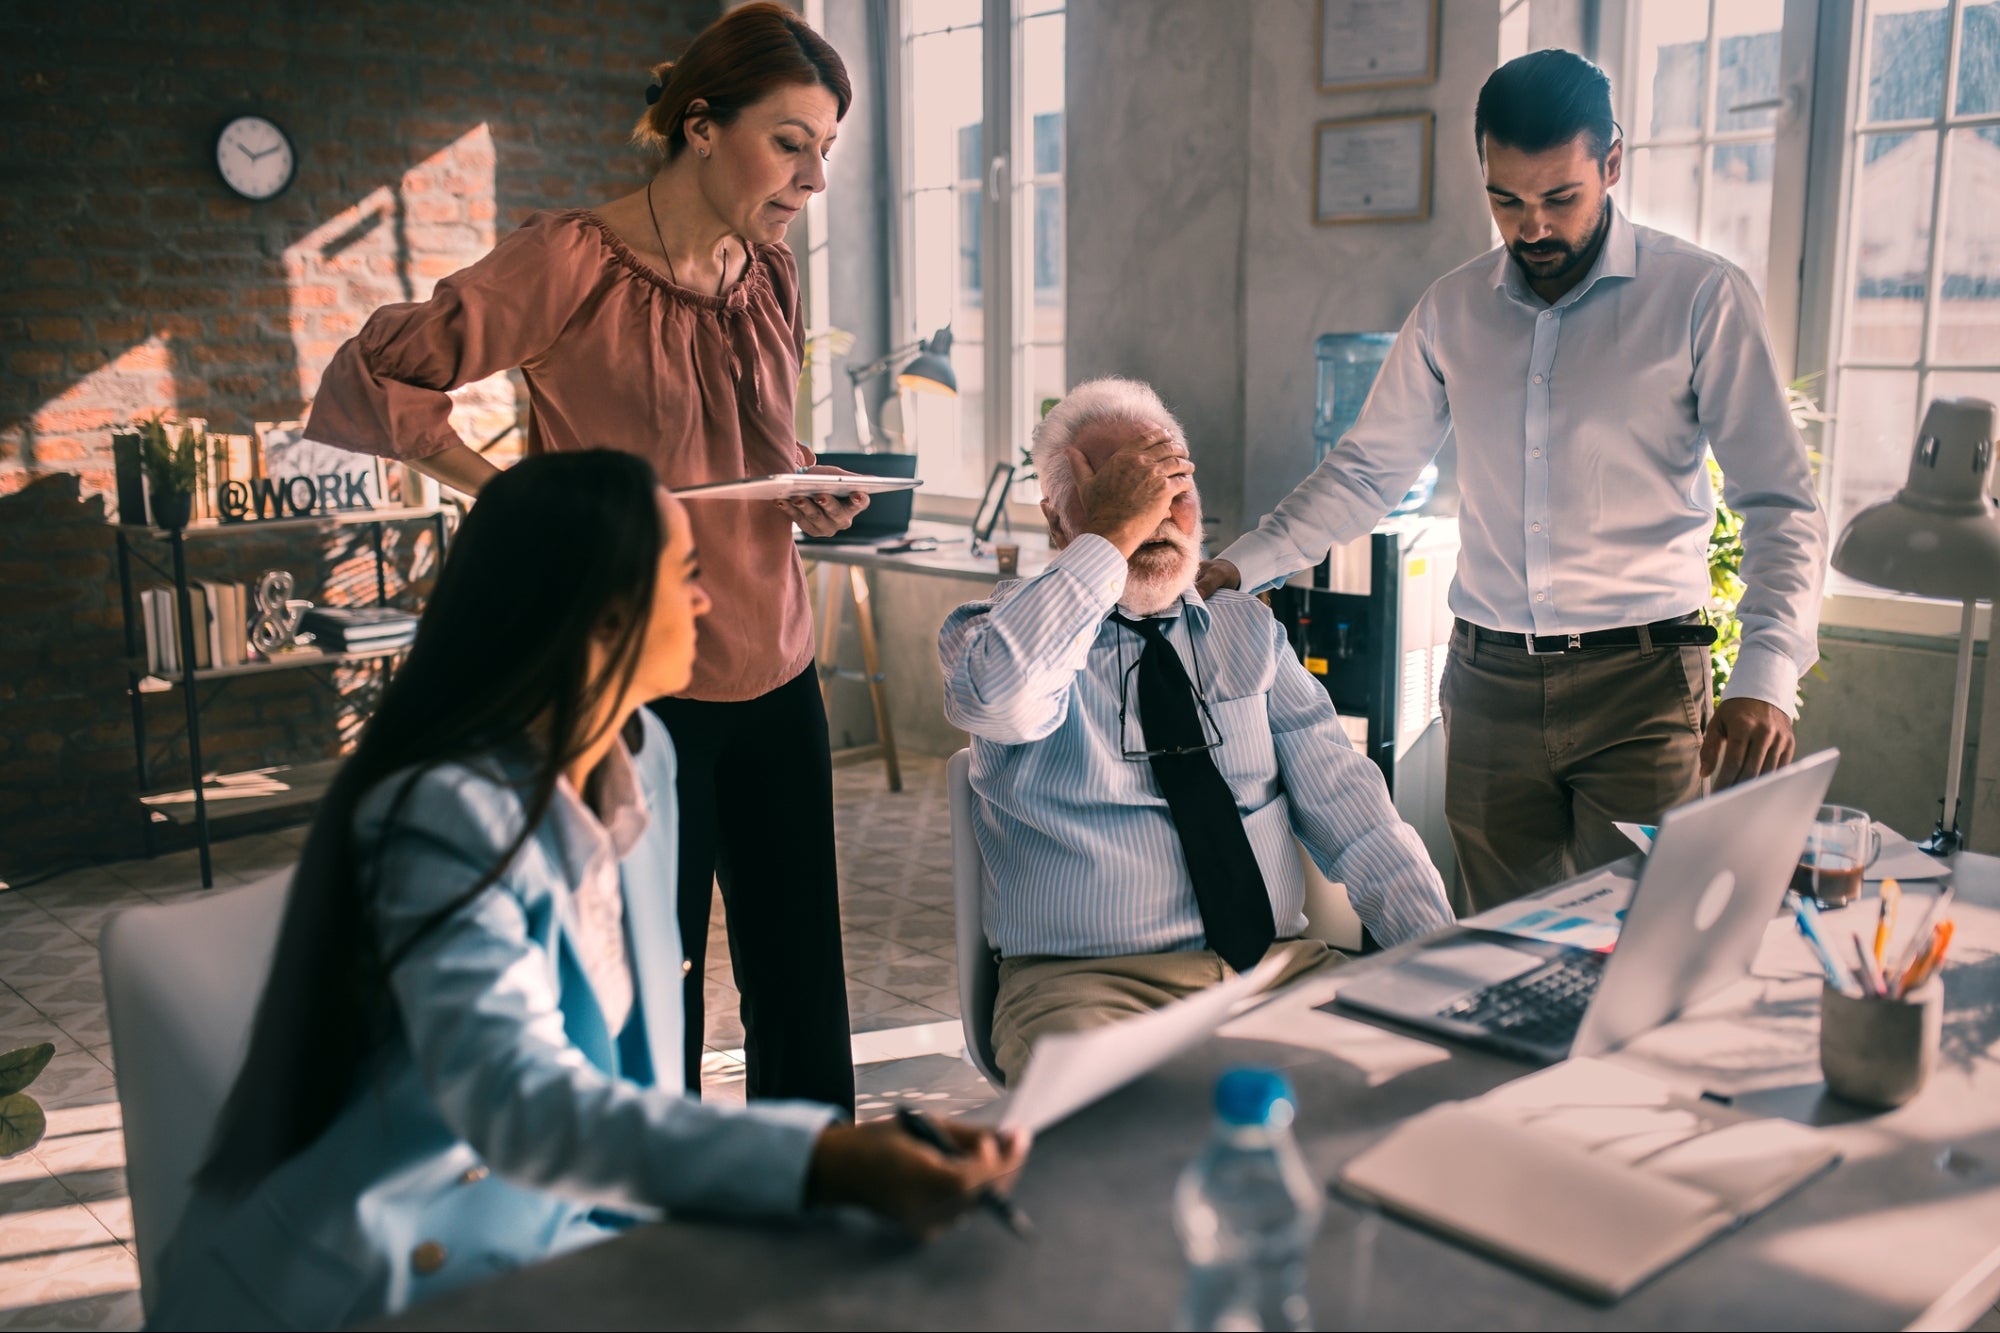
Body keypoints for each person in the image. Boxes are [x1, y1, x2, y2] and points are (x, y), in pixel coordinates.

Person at [150, 453, 1027, 1330]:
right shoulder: (443, 815)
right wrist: (822, 1161)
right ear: (603, 618)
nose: (708, 599)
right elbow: (524, 1105)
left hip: (545, 1250)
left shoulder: (644, 758)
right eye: (686, 575)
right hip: (368, 1284)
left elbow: (635, 1091)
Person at [306, 3, 865, 1112]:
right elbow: (378, 374)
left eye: (826, 150)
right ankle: (651, 1223)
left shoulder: (767, 267)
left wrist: (806, 486)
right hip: (638, 677)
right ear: (700, 127)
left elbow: (752, 437)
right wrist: (515, 494)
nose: (810, 177)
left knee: (801, 968)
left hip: (778, 654)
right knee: (654, 976)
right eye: (789, 142)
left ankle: (822, 1191)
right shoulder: (570, 260)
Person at [1197, 50, 1826, 913]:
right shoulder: (1452, 312)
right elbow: (1367, 470)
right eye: (1507, 200)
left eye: (1560, 198)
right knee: (1497, 952)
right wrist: (1241, 564)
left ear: (1611, 164)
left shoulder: (1699, 297)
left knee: (1637, 946)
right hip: (1488, 687)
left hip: (1642, 687)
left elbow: (1781, 504)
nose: (1533, 228)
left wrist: (1765, 676)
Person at [940, 379, 1454, 1084]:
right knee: (1130, 1145)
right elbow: (1002, 698)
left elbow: (1362, 826)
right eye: (1124, 492)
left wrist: (1452, 966)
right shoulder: (992, 636)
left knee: (1423, 1089)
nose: (1155, 516)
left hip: (1278, 973)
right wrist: (1108, 540)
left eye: (1171, 487)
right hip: (1088, 990)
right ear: (1058, 519)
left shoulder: (1249, 632)